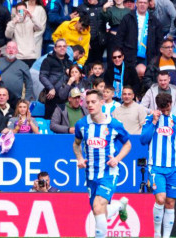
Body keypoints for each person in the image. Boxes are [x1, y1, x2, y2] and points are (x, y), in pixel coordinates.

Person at [73, 89, 131, 238]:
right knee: (98, 211)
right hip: (91, 174)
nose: (90, 105)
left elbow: (128, 145)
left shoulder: (114, 124)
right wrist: (79, 158)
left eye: (93, 102)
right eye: (88, 103)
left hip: (108, 173)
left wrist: (117, 159)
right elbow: (76, 144)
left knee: (98, 207)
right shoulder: (81, 124)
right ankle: (119, 206)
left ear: (101, 102)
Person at [140, 93, 176, 238]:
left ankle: (166, 237)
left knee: (170, 203)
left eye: (167, 109)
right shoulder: (150, 119)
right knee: (160, 199)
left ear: (171, 104)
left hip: (174, 168)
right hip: (156, 167)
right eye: (163, 109)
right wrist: (154, 122)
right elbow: (143, 139)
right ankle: (156, 234)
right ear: (158, 106)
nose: (165, 112)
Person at [116, 0, 163, 67]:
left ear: (148, 5)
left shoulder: (154, 21)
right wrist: (122, 53)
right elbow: (119, 37)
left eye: (145, 3)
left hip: (148, 57)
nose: (142, 4)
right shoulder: (128, 18)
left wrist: (156, 57)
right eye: (140, 2)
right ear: (136, 4)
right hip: (129, 56)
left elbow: (159, 41)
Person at [39, 38, 73, 119]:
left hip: (66, 98)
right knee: (51, 120)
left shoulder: (69, 62)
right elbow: (42, 76)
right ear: (55, 48)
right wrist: (51, 88)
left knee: (65, 121)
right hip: (52, 97)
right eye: (59, 46)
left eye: (64, 46)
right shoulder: (48, 60)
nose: (62, 48)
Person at [5, 2, 44, 67]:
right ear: (16, 12)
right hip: (18, 56)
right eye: (19, 11)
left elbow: (40, 28)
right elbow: (8, 35)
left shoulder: (31, 21)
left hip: (30, 56)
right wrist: (14, 22)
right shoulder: (12, 23)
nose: (21, 12)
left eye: (23, 10)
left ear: (26, 10)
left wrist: (31, 16)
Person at [100, 0, 130, 69]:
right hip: (113, 37)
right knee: (111, 59)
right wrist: (104, 8)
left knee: (124, 59)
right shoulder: (110, 10)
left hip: (124, 38)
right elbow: (104, 19)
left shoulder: (128, 11)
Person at [78, 0, 106, 66]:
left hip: (100, 41)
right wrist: (86, 41)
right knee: (88, 63)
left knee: (99, 63)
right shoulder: (82, 7)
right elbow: (80, 27)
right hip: (88, 41)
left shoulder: (103, 5)